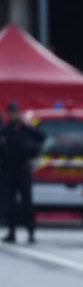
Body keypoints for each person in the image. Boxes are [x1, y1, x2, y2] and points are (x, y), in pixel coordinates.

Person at [1, 102, 46, 244]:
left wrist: (25, 127)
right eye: (11, 112)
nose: (13, 115)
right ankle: (11, 231)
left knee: (27, 201)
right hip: (8, 169)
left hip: (22, 168)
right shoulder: (5, 130)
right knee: (9, 202)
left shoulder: (25, 128)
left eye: (15, 112)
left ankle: (30, 232)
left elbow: (41, 137)